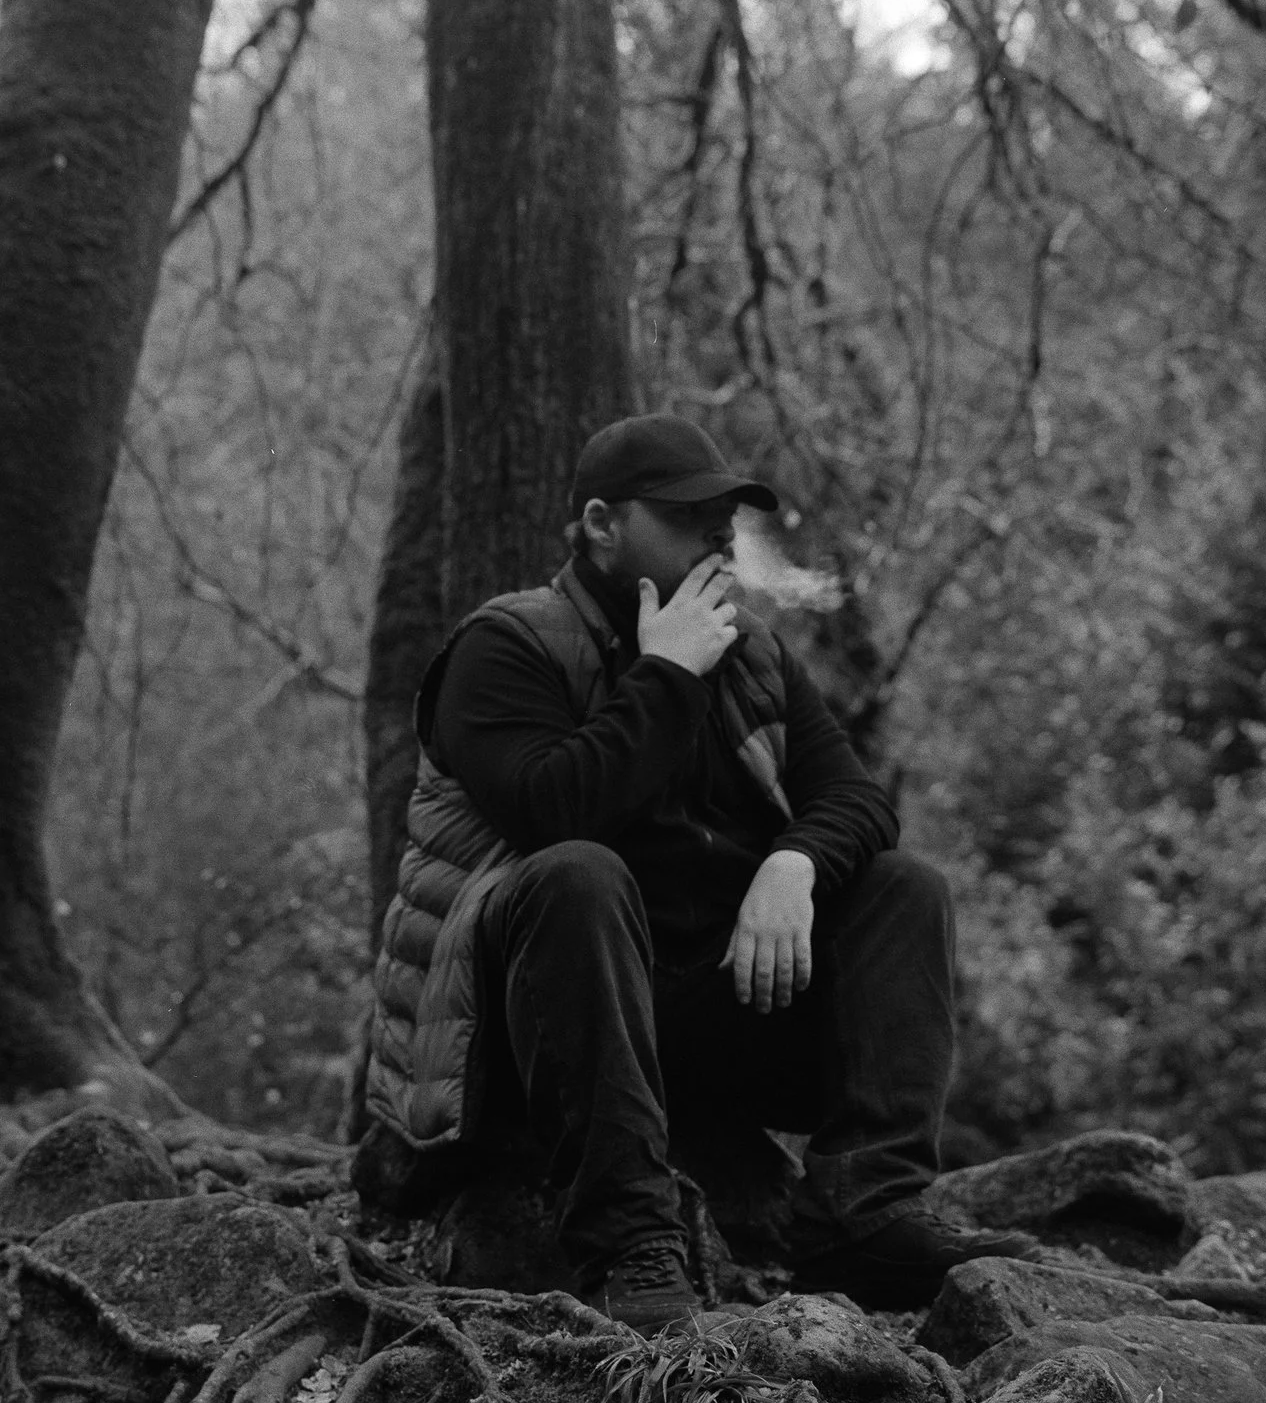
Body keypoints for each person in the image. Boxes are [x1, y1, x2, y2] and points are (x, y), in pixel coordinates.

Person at [363, 414, 1034, 1328]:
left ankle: (865, 1214)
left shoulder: (749, 652)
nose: (719, 534)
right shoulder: (509, 646)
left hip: (703, 1013)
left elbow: (858, 800)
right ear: (602, 526)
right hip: (533, 1033)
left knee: (903, 887)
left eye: (724, 515)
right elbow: (555, 811)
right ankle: (630, 1242)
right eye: (685, 515)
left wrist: (793, 863)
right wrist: (668, 673)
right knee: (579, 873)